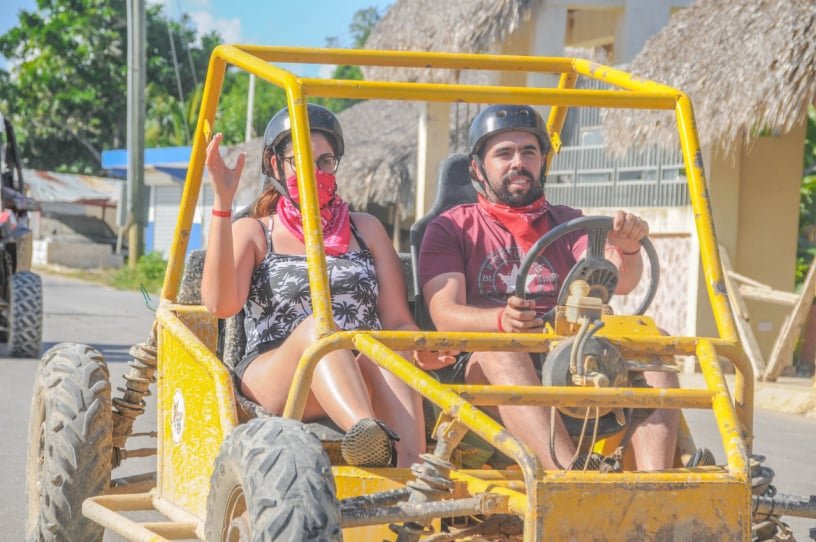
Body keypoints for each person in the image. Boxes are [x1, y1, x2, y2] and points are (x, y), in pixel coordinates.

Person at [418, 104, 679, 471]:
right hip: (486, 365)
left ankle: (658, 488)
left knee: (655, 340)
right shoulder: (452, 228)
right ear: (477, 168)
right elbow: (444, 313)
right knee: (502, 351)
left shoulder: (568, 222)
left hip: (569, 358)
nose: (517, 162)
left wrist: (629, 246)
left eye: (528, 152)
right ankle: (570, 478)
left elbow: (618, 278)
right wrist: (501, 321)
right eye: (503, 154)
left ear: (542, 161)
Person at [201, 103, 429, 468]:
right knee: (319, 329)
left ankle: (416, 481)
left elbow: (398, 321)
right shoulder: (257, 231)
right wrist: (223, 202)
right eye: (302, 162)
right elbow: (219, 305)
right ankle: (366, 435)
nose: (316, 172)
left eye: (325, 162)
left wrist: (420, 348)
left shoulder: (366, 228)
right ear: (276, 165)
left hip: (357, 367)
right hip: (279, 374)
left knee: (392, 350)